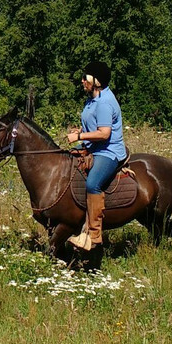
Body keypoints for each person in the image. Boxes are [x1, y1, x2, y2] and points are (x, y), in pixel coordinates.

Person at [65, 60, 126, 251]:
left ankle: (93, 235)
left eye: (86, 78)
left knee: (93, 184)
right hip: (93, 147)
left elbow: (104, 133)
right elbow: (94, 123)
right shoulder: (92, 99)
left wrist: (79, 136)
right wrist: (82, 129)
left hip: (108, 152)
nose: (82, 81)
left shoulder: (105, 102)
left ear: (96, 81)